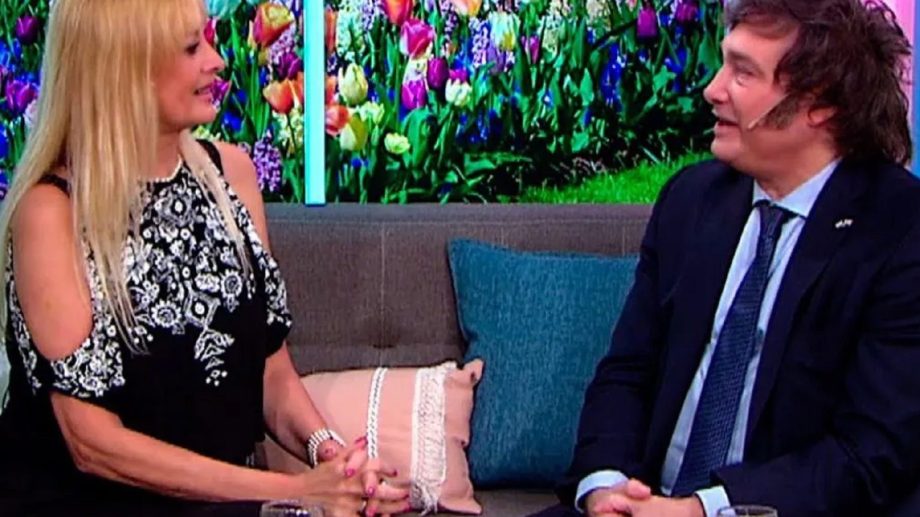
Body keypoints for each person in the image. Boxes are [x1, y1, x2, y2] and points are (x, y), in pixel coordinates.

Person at [0, 1, 409, 516]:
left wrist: (333, 459)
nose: (217, 61)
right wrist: (296, 491)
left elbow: (272, 373)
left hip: (232, 502)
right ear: (125, 69)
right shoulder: (51, 213)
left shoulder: (230, 175)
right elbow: (93, 444)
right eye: (192, 48)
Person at [533, 0, 920, 516]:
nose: (712, 90)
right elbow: (627, 373)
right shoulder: (691, 200)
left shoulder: (898, 231)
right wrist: (606, 488)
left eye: (742, 73)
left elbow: (868, 453)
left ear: (820, 102)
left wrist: (701, 510)